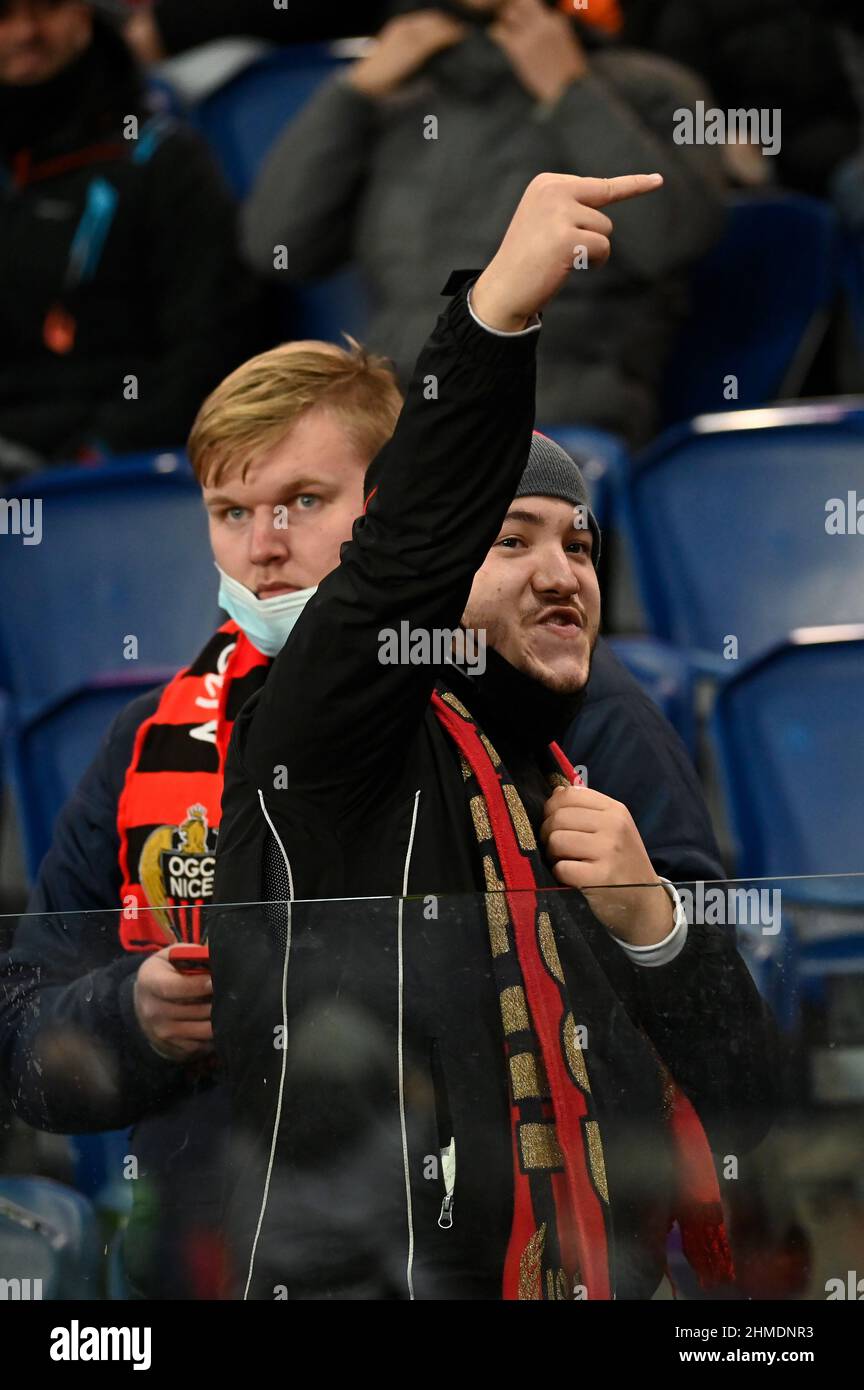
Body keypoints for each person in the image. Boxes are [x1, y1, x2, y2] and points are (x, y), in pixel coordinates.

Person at [210, 171, 778, 1301]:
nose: (565, 574)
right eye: (512, 540)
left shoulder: (584, 769)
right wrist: (495, 315)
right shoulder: (327, 728)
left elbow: (758, 1099)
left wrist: (657, 924)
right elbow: (400, 562)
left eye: (579, 543)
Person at [0, 337, 404, 1297]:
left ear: (386, 508)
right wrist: (130, 1017)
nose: (264, 544)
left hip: (435, 1247)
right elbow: (21, 1038)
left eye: (304, 502)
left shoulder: (498, 706)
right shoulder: (145, 739)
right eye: (232, 511)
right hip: (204, 1253)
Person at [241, 0, 725, 446]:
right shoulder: (399, 100)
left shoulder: (651, 89)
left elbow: (673, 238)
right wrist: (353, 94)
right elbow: (277, 246)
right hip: (393, 420)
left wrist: (571, 94)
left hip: (552, 423)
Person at [0, 0, 261, 468]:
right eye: (3, 13)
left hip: (109, 464)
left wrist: (93, 455)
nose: (25, 32)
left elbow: (210, 353)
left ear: (83, 12)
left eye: (45, 7)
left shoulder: (164, 161)